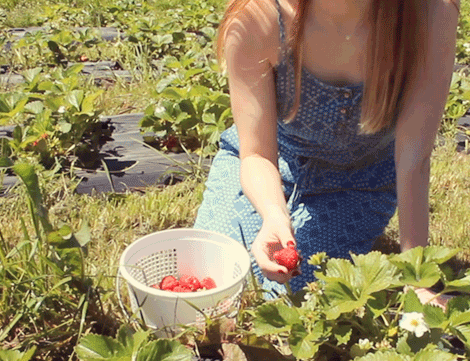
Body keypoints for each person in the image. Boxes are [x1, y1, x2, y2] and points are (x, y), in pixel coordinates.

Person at [194, 0, 460, 305]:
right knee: (219, 277)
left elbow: (414, 158)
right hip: (270, 169)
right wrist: (274, 216)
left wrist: (417, 279)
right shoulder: (258, 17)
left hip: (359, 182)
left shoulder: (428, 13)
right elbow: (257, 155)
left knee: (303, 293)